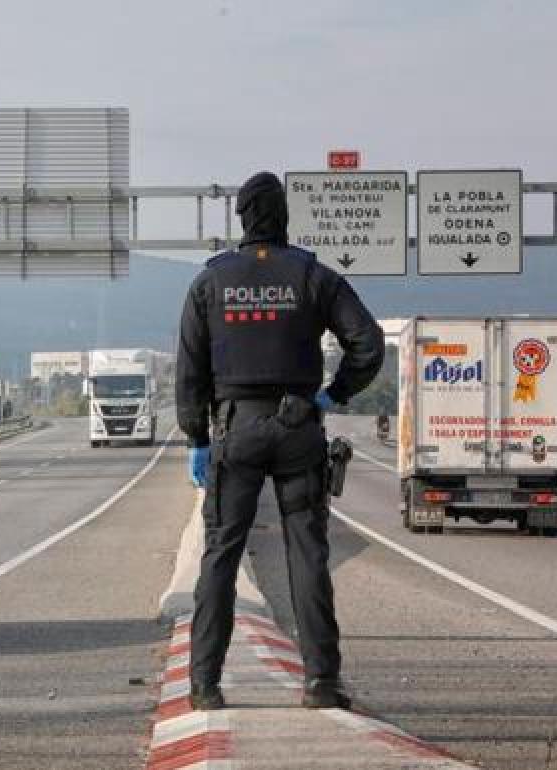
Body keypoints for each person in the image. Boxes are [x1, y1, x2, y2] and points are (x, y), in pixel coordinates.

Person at [176, 171, 384, 711]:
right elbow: (369, 343)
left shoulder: (210, 282)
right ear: (284, 215)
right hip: (298, 429)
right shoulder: (312, 275)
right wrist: (332, 395)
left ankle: (204, 686)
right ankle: (321, 683)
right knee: (308, 555)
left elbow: (189, 372)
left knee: (220, 555)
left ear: (242, 217)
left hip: (235, 429)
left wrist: (198, 437)